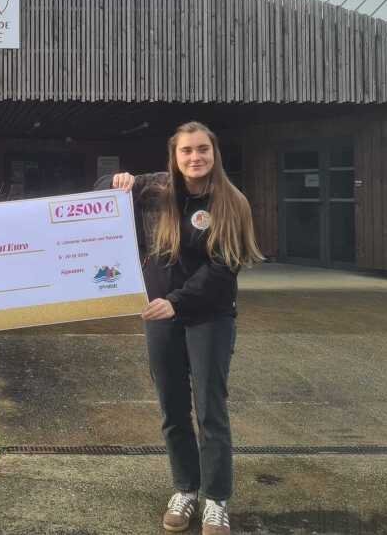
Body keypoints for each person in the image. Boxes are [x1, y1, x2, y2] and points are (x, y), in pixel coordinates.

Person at [97, 121, 262, 535]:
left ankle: (216, 499)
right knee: (172, 408)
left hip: (209, 316)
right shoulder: (154, 189)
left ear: (214, 152)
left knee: (210, 410)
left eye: (202, 149)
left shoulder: (232, 202)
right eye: (186, 150)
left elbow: (224, 269)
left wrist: (177, 303)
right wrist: (112, 181)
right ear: (174, 155)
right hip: (159, 316)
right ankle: (186, 489)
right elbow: (100, 199)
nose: (194, 157)